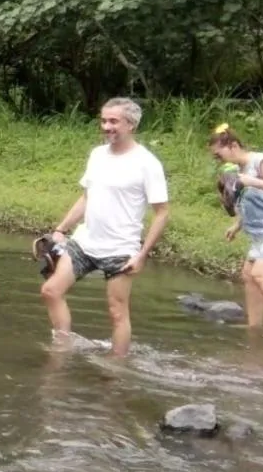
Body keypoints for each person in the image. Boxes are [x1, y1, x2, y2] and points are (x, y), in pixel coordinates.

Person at [40, 97, 170, 357]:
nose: (107, 127)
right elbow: (87, 197)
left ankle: (117, 366)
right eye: (104, 121)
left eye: (114, 121)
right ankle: (61, 349)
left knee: (117, 313)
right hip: (85, 242)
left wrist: (142, 255)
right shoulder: (97, 155)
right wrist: (61, 229)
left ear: (131, 124)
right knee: (51, 291)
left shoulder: (147, 163)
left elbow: (162, 213)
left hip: (120, 249)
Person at [208, 124, 263, 340]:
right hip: (262, 230)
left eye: (219, 155)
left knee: (261, 273)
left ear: (233, 146)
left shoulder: (260, 162)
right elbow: (252, 202)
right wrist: (237, 225)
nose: (218, 160)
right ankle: (254, 326)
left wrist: (252, 181)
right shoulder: (237, 171)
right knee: (249, 274)